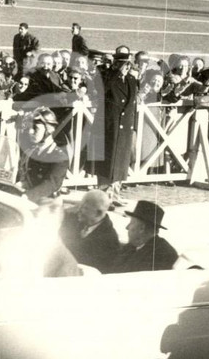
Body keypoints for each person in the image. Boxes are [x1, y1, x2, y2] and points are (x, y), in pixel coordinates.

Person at [97, 46, 140, 194]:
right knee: (106, 164)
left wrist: (133, 127)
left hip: (125, 128)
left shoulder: (132, 80)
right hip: (109, 127)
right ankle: (104, 195)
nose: (125, 67)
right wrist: (116, 74)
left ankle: (115, 193)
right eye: (121, 64)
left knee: (121, 163)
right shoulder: (106, 75)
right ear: (115, 64)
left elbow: (132, 104)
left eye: (127, 64)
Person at [58, 189, 120, 272]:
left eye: (85, 208)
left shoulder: (109, 240)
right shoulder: (73, 219)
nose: (78, 210)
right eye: (80, 205)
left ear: (98, 213)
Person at [19, 107, 71, 202]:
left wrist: (27, 196)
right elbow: (22, 176)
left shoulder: (58, 156)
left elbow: (51, 184)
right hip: (26, 199)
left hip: (47, 204)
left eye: (35, 128)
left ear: (49, 130)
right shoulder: (29, 152)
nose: (30, 131)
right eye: (30, 127)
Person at [113, 199, 177, 273]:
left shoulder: (161, 255)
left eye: (131, 223)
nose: (127, 227)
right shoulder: (133, 246)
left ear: (141, 228)